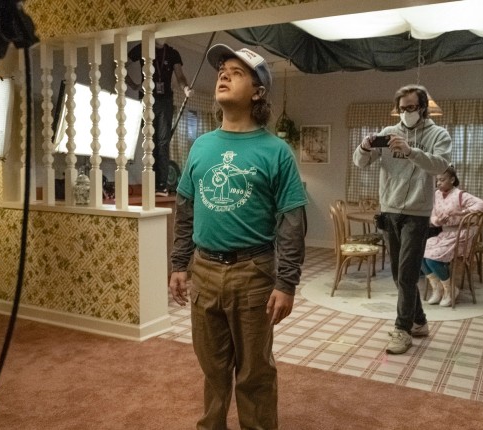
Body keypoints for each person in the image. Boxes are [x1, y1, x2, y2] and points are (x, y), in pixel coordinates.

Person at [168, 44, 308, 430]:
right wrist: (179, 264)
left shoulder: (276, 151)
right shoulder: (201, 146)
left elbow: (292, 222)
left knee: (254, 374)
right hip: (204, 271)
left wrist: (287, 283)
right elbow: (186, 209)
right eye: (222, 71)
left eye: (237, 72)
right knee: (212, 370)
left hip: (254, 274)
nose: (224, 75)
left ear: (258, 92)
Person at [353, 84, 451, 354]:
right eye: (402, 108)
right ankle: (419, 321)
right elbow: (360, 163)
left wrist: (410, 151)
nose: (406, 112)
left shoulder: (438, 134)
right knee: (399, 275)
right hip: (389, 211)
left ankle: (402, 329)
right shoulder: (388, 133)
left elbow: (441, 165)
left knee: (407, 274)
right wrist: (364, 147)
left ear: (423, 108)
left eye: (412, 107)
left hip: (417, 214)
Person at [125, 39, 192, 196]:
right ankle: (150, 182)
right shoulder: (142, 48)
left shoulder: (173, 53)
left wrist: (186, 88)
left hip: (165, 101)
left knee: (163, 142)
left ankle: (161, 185)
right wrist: (133, 84)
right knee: (150, 141)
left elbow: (180, 76)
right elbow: (120, 66)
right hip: (147, 99)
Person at [423, 166, 483, 307]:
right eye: (437, 180)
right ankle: (438, 289)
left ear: (452, 180)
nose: (438, 183)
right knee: (418, 253)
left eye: (442, 180)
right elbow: (433, 216)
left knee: (432, 259)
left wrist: (462, 213)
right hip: (445, 234)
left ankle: (450, 290)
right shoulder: (436, 195)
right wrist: (438, 221)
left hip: (461, 235)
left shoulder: (460, 195)